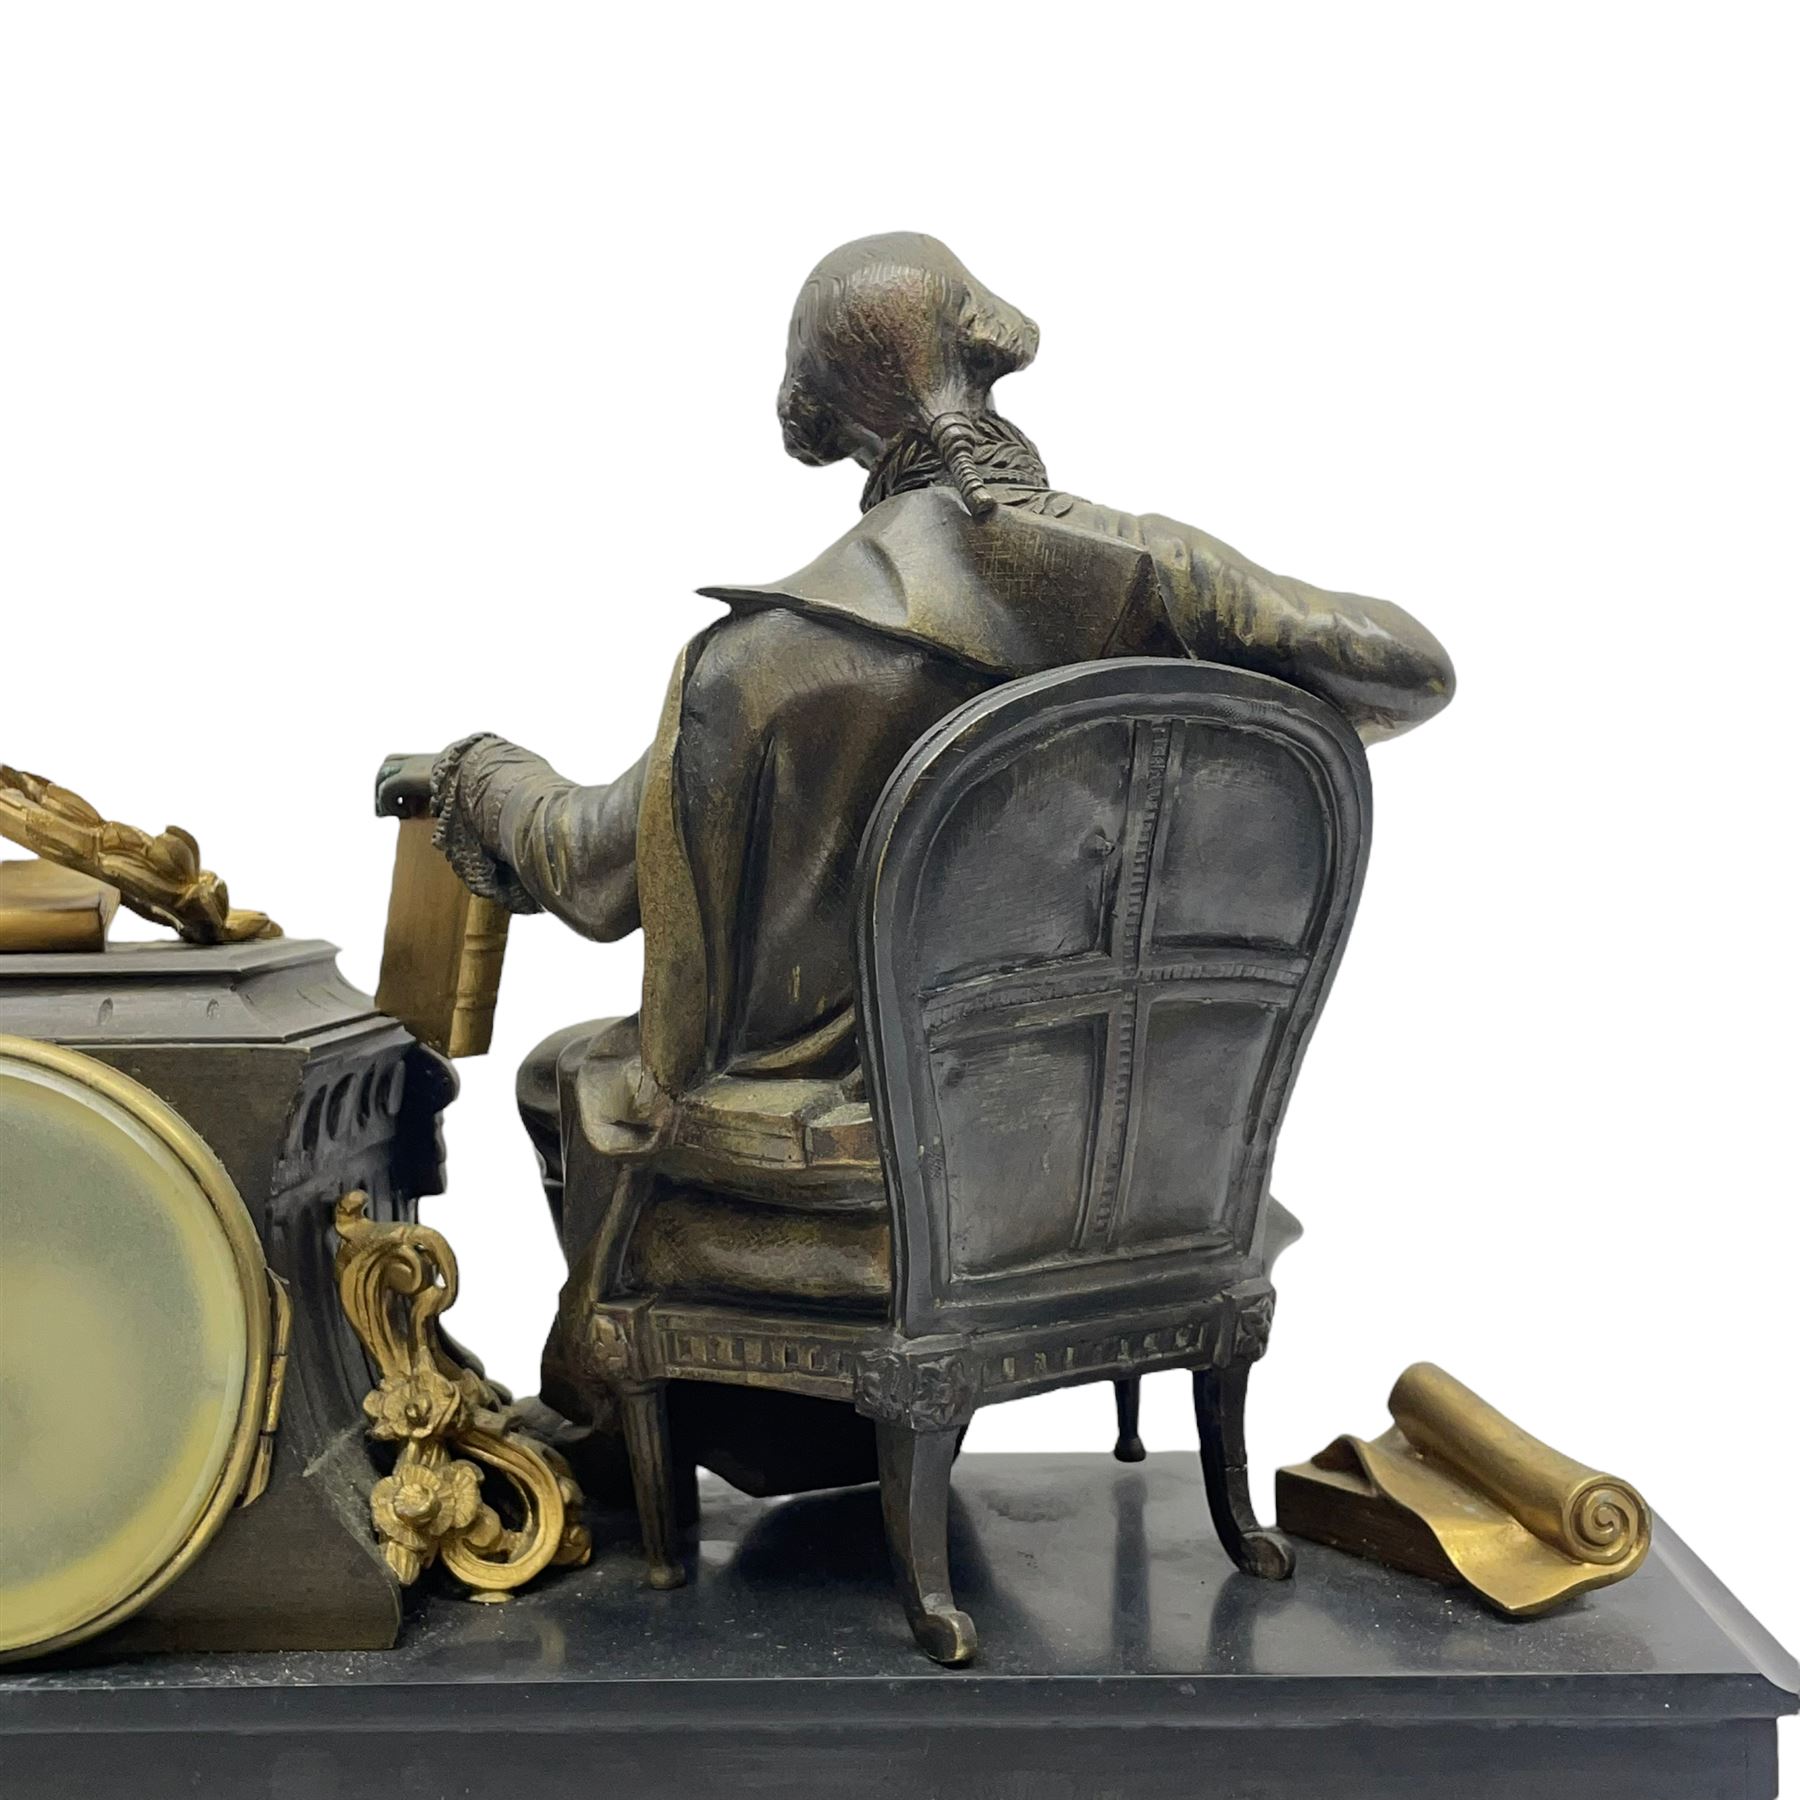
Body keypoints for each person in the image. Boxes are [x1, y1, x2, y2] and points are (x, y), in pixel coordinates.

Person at [382, 232, 1453, 1431]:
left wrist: (480, 777)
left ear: (821, 418)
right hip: (1133, 1155)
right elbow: (1408, 670)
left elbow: (589, 871)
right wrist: (1187, 615)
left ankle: (638, 1422)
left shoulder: (764, 664)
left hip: (874, 1164)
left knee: (567, 1074)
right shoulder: (1154, 583)